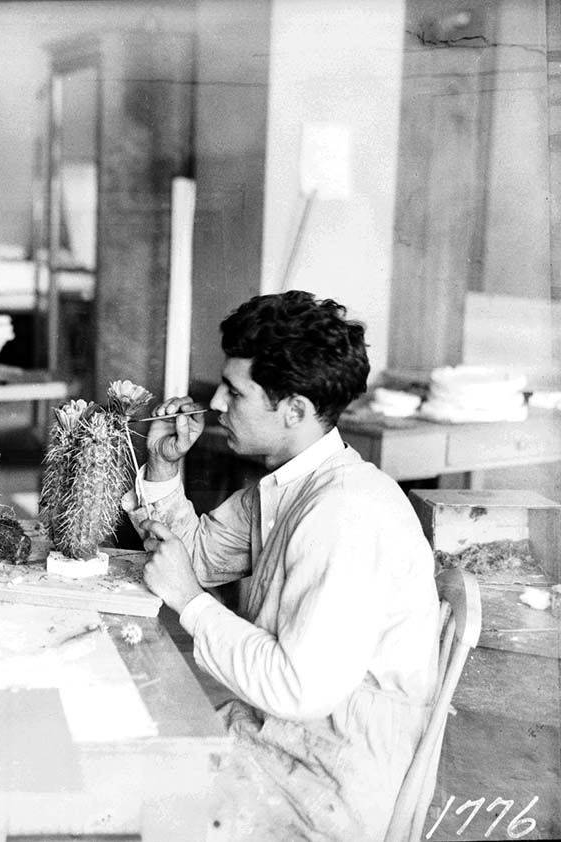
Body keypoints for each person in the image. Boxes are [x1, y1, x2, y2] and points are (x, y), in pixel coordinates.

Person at [122, 291, 439, 842]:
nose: (216, 403)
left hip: (330, 782)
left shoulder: (344, 511)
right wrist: (162, 465)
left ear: (293, 408)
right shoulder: (292, 483)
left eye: (236, 391)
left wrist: (194, 604)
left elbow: (298, 688)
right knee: (117, 765)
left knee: (117, 806)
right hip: (275, 736)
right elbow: (190, 558)